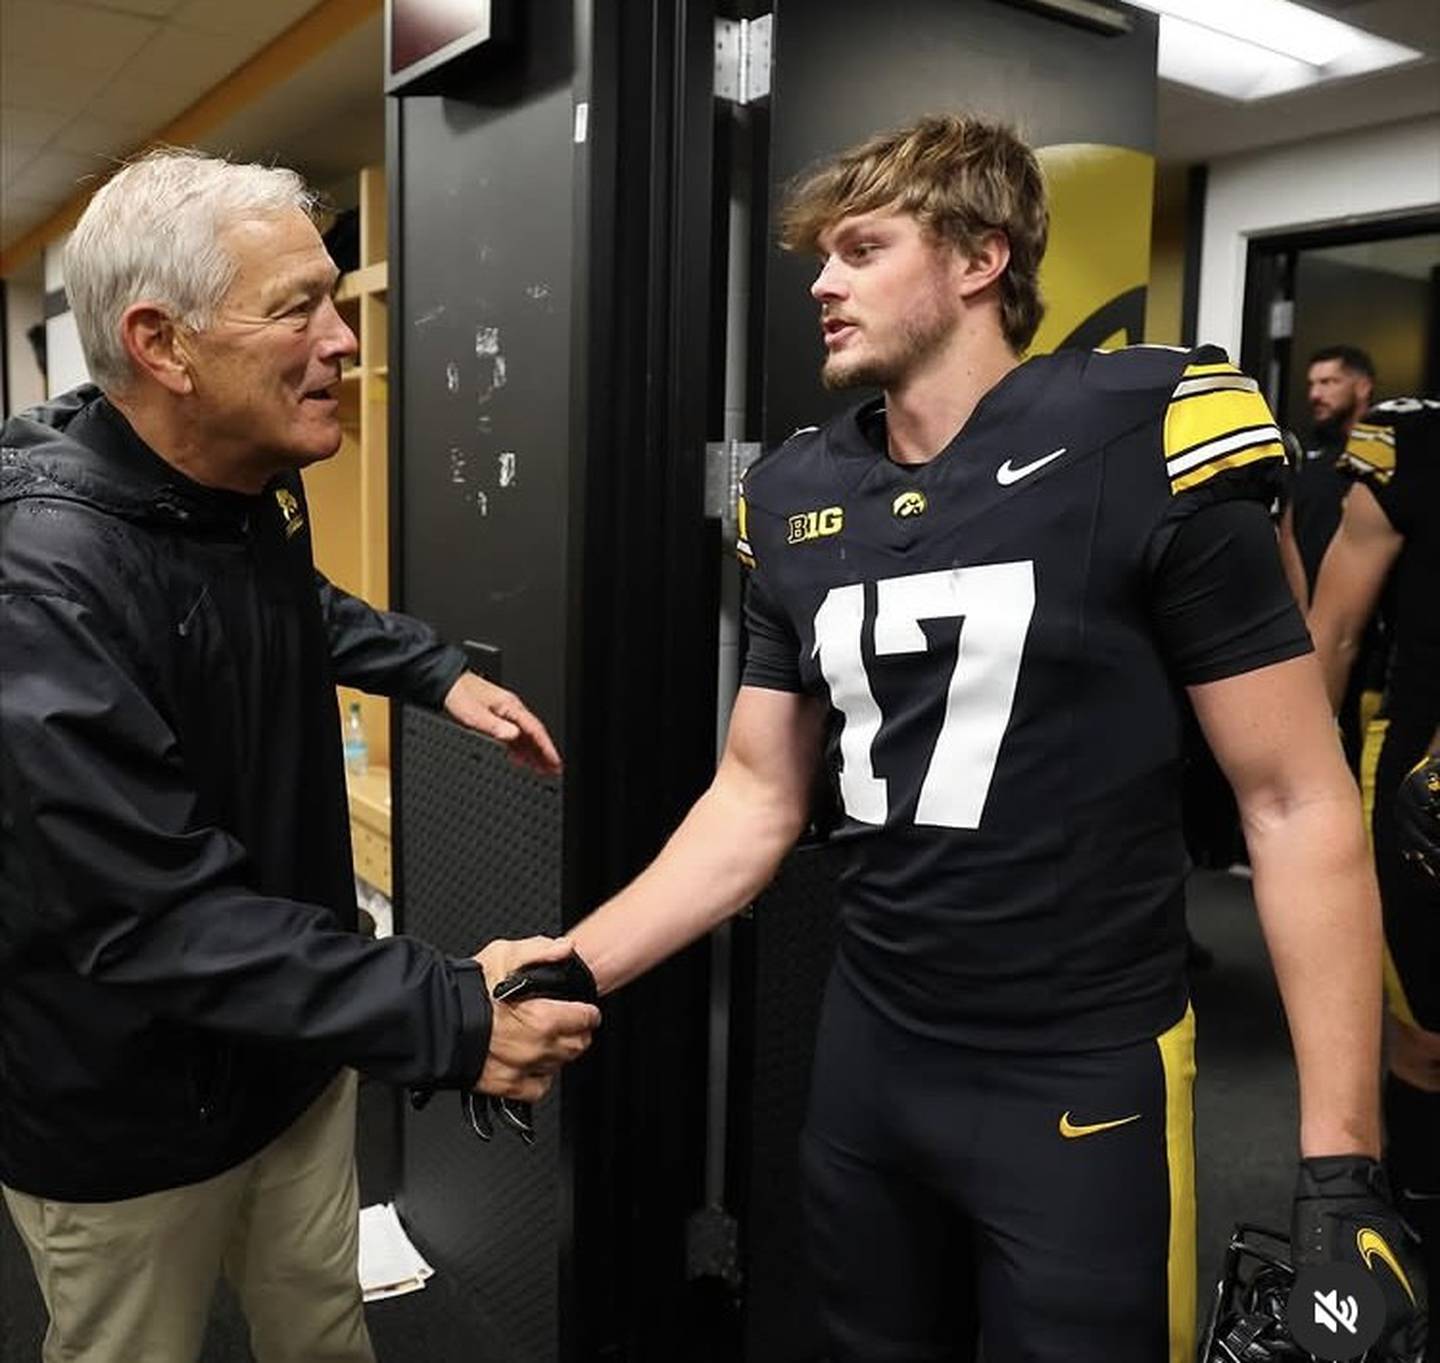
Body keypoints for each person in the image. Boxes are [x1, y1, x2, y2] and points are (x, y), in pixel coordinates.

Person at [525, 114, 1425, 1360]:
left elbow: (1294, 801)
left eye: (861, 249)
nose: (822, 283)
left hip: (1081, 1065)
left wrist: (1341, 1168)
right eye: (821, 257)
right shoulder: (793, 494)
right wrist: (575, 962)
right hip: (872, 1050)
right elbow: (754, 796)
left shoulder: (1145, 428)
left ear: (979, 258)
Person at [0, 150, 599, 1363]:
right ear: (162, 345)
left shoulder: (242, 482)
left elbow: (277, 603)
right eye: (297, 309)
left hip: (292, 1053)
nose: (343, 340)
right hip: (127, 1105)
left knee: (320, 1325)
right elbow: (152, 918)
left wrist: (431, 668)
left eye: (335, 298)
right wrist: (449, 1014)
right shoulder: (41, 581)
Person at [1309, 395, 1440, 1340]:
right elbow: (1336, 628)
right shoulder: (1413, 442)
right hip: (1421, 775)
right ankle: (1419, 1255)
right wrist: (1298, 792)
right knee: (1425, 1036)